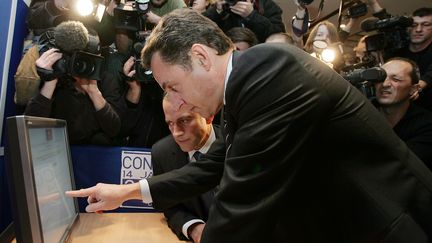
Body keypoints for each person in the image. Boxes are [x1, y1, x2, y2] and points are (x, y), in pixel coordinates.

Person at [67, 9, 432, 242]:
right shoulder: (245, 86)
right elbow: (214, 165)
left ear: (200, 57)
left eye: (173, 87)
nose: (175, 102)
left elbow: (240, 201)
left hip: (390, 226)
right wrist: (127, 192)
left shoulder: (268, 71)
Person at [25, 21, 121, 145]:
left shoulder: (106, 80)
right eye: (75, 59)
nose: (80, 65)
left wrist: (94, 92)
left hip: (91, 151)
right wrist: (50, 82)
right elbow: (30, 130)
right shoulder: (57, 79)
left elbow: (114, 129)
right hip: (58, 148)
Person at [152, 96, 220, 242]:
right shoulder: (161, 153)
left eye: (184, 120)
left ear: (208, 116)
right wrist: (193, 228)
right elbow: (169, 206)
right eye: (170, 123)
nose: (176, 132)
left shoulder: (237, 144)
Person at [374, 57, 432, 170]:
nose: (385, 84)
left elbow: (398, 166)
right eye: (381, 78)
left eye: (396, 80)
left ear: (413, 89)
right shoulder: (361, 113)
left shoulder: (427, 125)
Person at [203, 0, 285, 43]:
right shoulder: (223, 6)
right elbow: (200, 30)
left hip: (260, 58)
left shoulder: (268, 5)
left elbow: (278, 36)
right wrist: (217, 11)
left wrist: (252, 15)